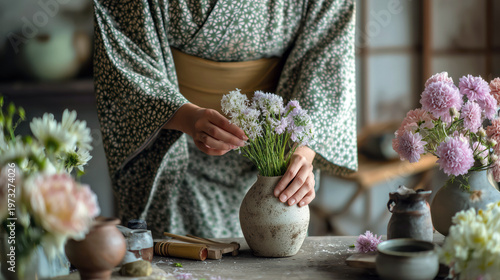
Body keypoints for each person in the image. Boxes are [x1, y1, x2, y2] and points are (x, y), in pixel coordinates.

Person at [93, 0, 357, 238]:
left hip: (275, 155)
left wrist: (302, 152)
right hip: (175, 143)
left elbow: (328, 59)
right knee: (177, 259)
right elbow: (125, 48)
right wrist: (187, 117)